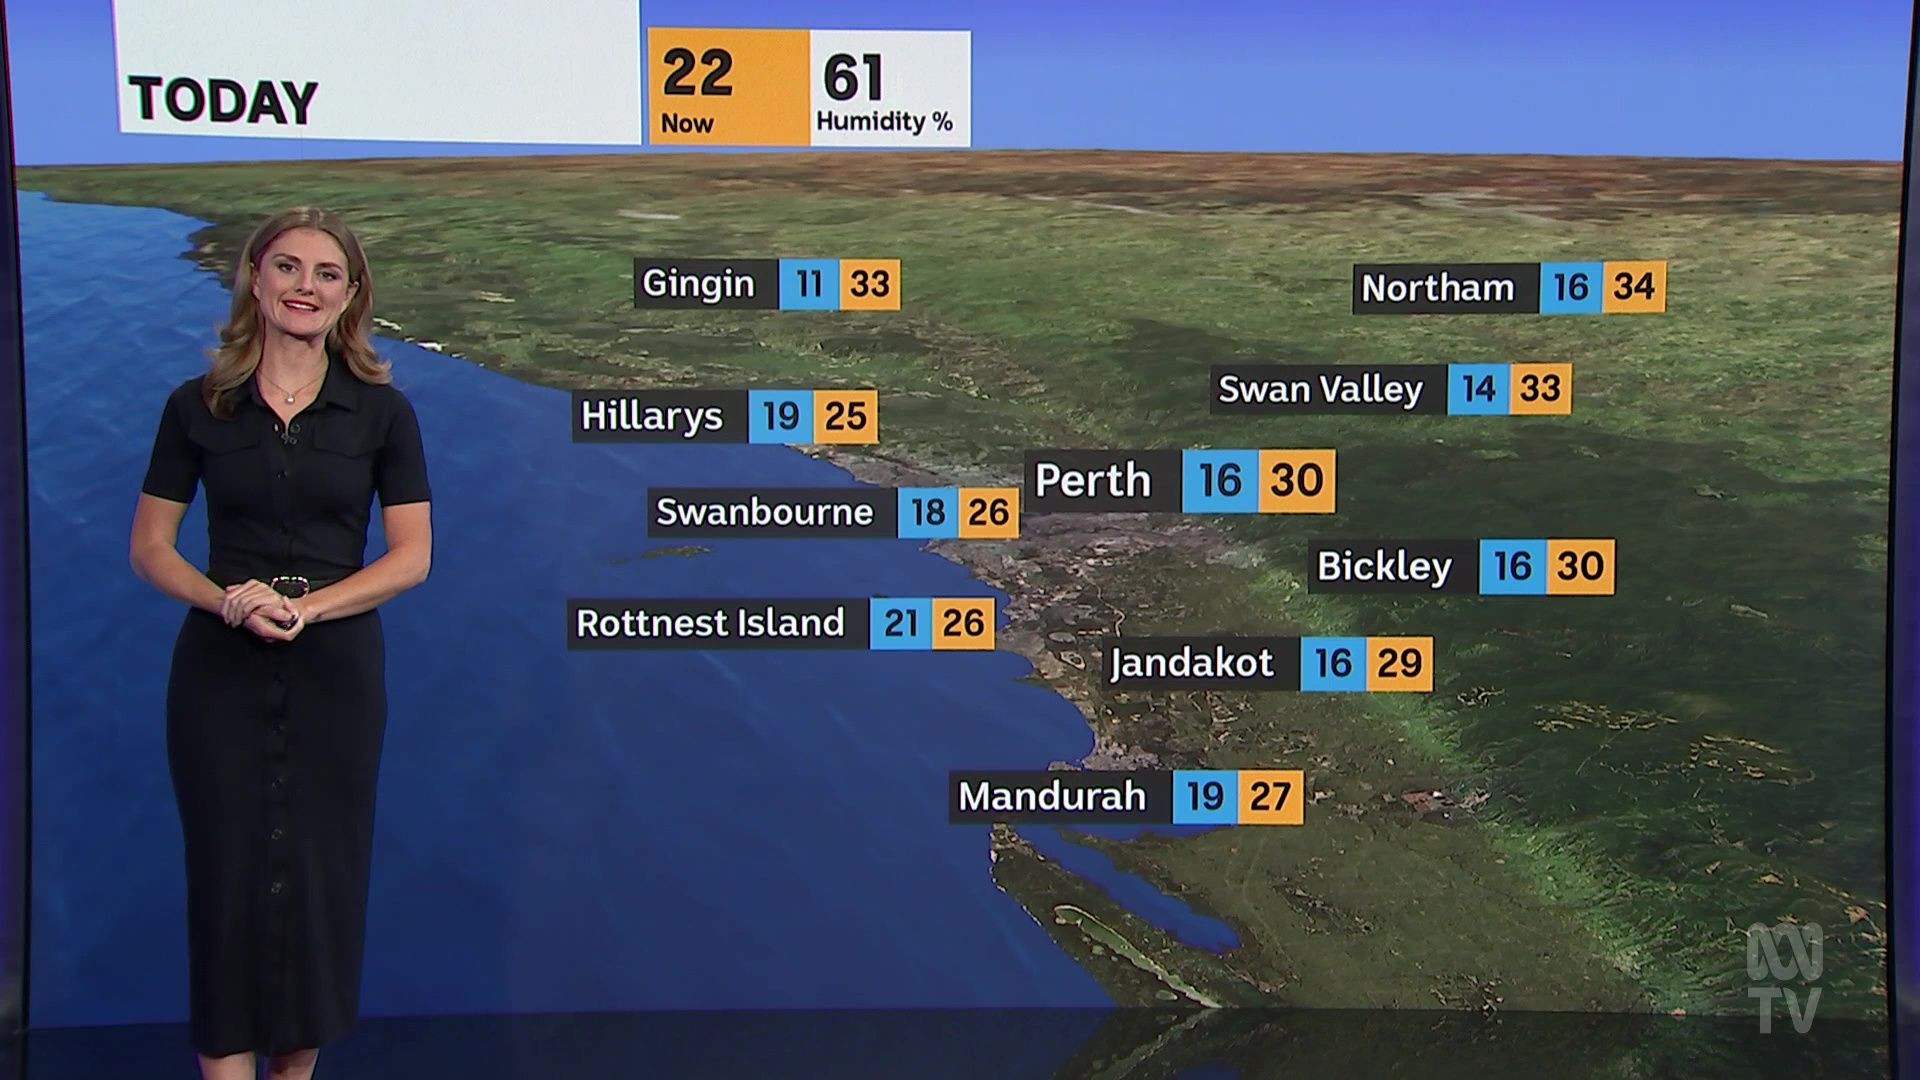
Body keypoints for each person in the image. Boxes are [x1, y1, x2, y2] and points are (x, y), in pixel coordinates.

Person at [129, 207, 432, 1080]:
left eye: (327, 273)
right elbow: (151, 548)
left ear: (350, 294)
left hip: (337, 676)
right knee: (226, 879)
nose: (306, 286)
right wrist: (228, 602)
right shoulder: (196, 407)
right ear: (255, 281)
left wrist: (310, 609)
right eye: (288, 267)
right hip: (219, 672)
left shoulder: (383, 413)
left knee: (320, 884)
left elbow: (412, 558)